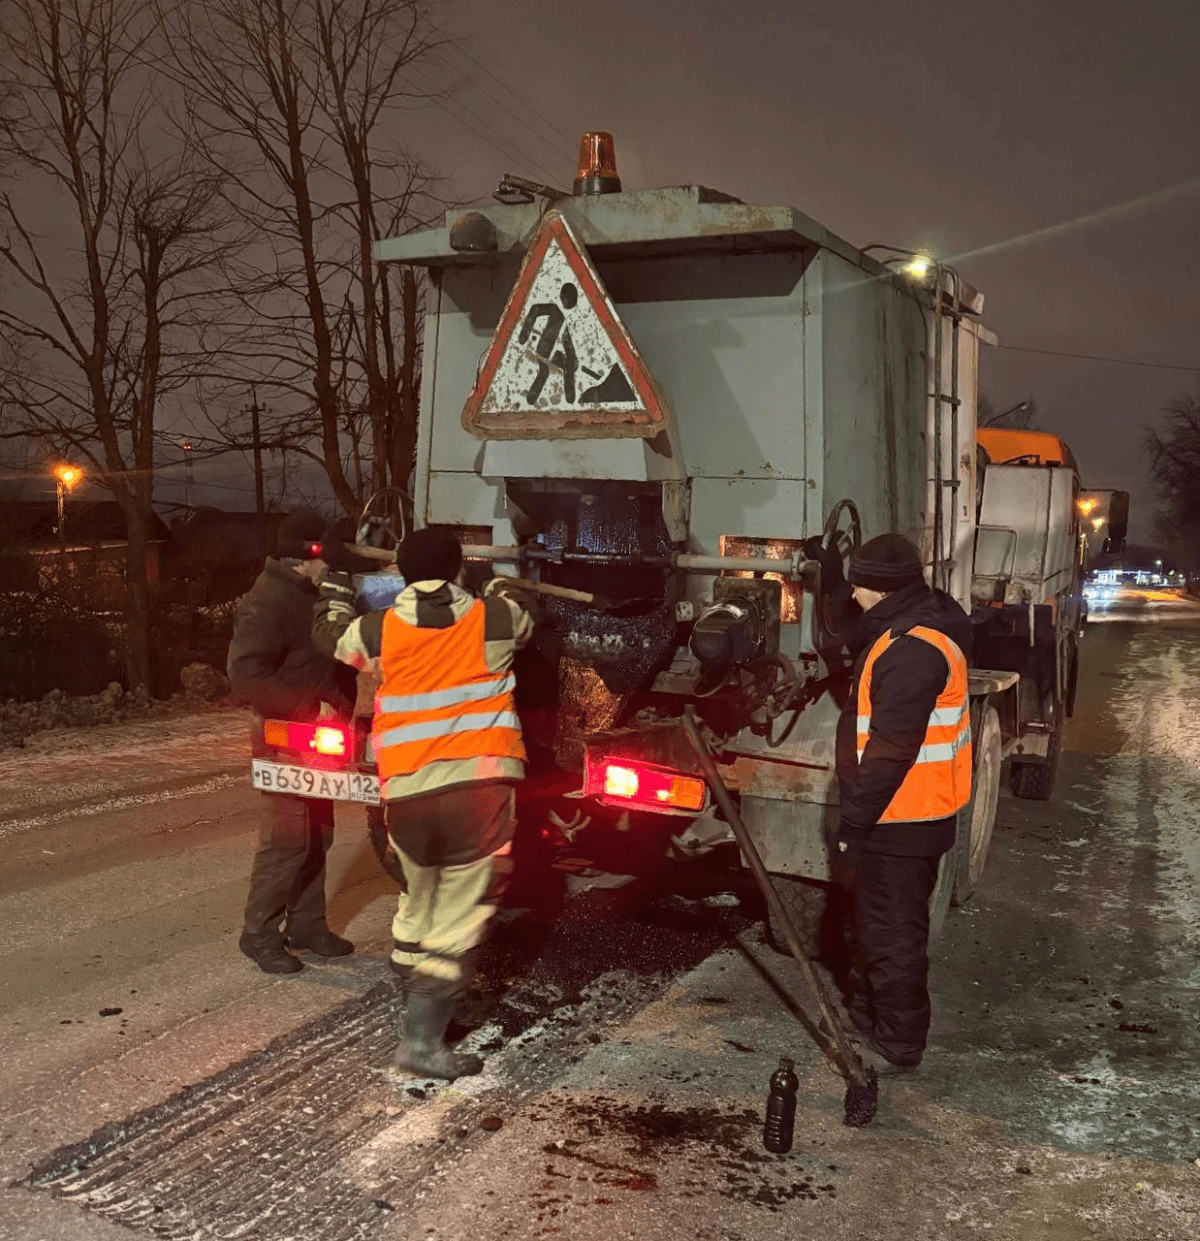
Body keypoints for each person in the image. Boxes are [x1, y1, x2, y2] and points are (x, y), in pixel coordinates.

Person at [312, 527, 535, 1080]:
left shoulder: (378, 629)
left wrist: (336, 582)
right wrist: (497, 579)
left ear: (401, 575)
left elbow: (329, 634)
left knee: (417, 900)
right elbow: (525, 610)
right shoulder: (493, 618)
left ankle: (410, 1001)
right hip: (477, 791)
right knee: (455, 923)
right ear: (458, 570)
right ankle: (422, 1044)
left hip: (407, 794)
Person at [809, 531, 973, 1076]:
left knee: (893, 933)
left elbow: (892, 751)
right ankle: (869, 1017)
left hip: (903, 817)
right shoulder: (908, 621)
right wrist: (832, 575)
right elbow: (851, 622)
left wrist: (853, 825)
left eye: (858, 586)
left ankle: (899, 1044)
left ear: (881, 590)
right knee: (872, 924)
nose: (852, 597)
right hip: (901, 814)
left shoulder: (913, 653)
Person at [228, 510, 360, 975]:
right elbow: (245, 674)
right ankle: (259, 936)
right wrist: (308, 707)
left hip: (318, 738)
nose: (334, 569)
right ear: (306, 557)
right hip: (286, 734)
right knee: (287, 839)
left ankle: (306, 926)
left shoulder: (307, 592)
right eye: (328, 560)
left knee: (316, 835)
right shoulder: (270, 600)